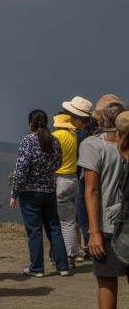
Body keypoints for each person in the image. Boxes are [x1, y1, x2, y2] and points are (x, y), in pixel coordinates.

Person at [9, 110, 69, 277]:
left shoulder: (27, 141)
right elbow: (59, 162)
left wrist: (14, 193)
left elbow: (21, 169)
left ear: (31, 125)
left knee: (34, 230)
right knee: (54, 227)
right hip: (49, 190)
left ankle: (37, 268)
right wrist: (46, 175)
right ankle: (62, 265)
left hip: (30, 193)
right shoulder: (54, 141)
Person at [79, 101, 128, 309]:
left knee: (107, 282)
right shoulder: (121, 147)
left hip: (107, 225)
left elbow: (92, 189)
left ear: (100, 119)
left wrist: (93, 231)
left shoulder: (92, 145)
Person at [53, 96, 93, 266]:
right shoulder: (77, 135)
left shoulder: (58, 136)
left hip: (62, 178)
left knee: (62, 221)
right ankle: (74, 253)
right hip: (74, 178)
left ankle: (65, 255)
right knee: (72, 220)